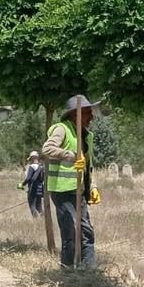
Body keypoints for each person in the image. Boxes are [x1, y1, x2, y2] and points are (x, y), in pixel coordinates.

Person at [41, 95, 102, 269]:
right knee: (71, 230)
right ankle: (68, 271)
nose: (92, 117)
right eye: (88, 113)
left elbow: (87, 165)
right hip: (62, 190)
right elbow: (47, 149)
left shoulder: (86, 136)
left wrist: (93, 187)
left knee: (86, 231)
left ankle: (89, 271)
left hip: (79, 190)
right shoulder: (62, 129)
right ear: (76, 114)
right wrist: (71, 155)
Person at [19, 151, 46, 217]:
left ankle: (35, 220)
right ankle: (43, 219)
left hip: (33, 189)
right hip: (40, 189)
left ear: (33, 158)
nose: (30, 161)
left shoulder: (32, 166)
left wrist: (22, 184)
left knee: (32, 206)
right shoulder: (41, 167)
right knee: (39, 206)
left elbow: (28, 178)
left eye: (30, 159)